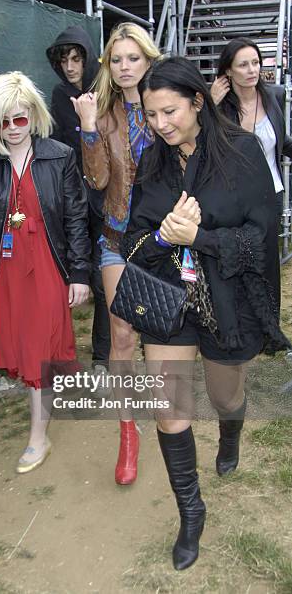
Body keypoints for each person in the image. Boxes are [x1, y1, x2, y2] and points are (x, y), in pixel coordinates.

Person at [124, 56, 290, 570]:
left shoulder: (241, 152)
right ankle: (191, 512)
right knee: (170, 410)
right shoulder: (152, 162)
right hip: (170, 301)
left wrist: (199, 237)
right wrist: (161, 234)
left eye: (169, 112)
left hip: (226, 300)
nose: (160, 125)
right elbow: (133, 240)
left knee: (226, 395)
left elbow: (261, 241)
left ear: (197, 101)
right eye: (151, 116)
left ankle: (230, 431)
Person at [0, 71, 90, 474]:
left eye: (20, 118)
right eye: (3, 121)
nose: (14, 129)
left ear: (33, 115)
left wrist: (81, 273)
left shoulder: (59, 155)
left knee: (38, 346)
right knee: (24, 343)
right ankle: (48, 401)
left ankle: (39, 436)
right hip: (8, 268)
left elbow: (75, 217)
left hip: (48, 264)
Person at [71, 22, 161, 485]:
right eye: (117, 59)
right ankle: (128, 433)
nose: (125, 68)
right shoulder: (102, 113)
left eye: (134, 58)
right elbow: (99, 182)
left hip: (165, 241)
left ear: (148, 60)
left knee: (163, 338)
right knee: (122, 338)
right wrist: (88, 128)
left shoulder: (167, 104)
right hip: (115, 240)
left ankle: (172, 425)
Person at [46, 26, 111, 379]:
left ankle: (103, 357)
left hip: (103, 197)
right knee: (69, 276)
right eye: (64, 60)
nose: (70, 67)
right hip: (71, 201)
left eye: (76, 59)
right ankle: (62, 354)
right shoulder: (58, 95)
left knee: (103, 279)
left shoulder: (106, 92)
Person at [210, 37, 292, 220]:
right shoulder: (220, 106)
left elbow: (281, 140)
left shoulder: (274, 96)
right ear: (228, 71)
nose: (252, 70)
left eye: (255, 63)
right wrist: (211, 104)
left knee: (269, 248)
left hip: (272, 193)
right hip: (233, 197)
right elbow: (201, 141)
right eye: (243, 65)